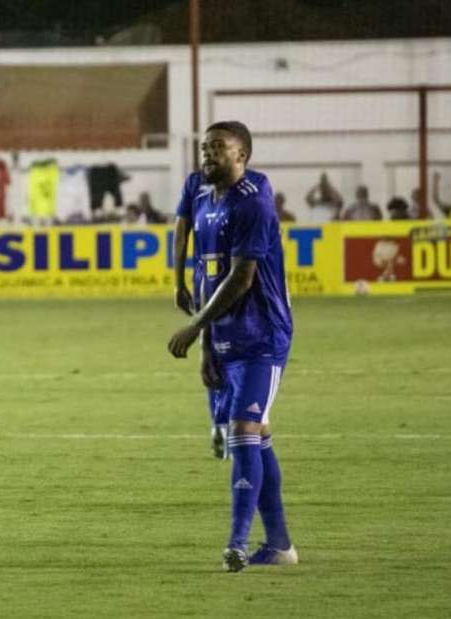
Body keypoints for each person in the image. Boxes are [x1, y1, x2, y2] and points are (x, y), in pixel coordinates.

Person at [169, 121, 296, 573]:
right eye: (204, 148)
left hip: (262, 335)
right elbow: (184, 226)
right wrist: (204, 341)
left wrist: (192, 329)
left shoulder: (255, 206)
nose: (206, 155)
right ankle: (280, 546)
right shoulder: (199, 189)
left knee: (244, 429)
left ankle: (238, 543)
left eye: (217, 149)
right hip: (221, 336)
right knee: (253, 437)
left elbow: (241, 278)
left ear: (241, 156)